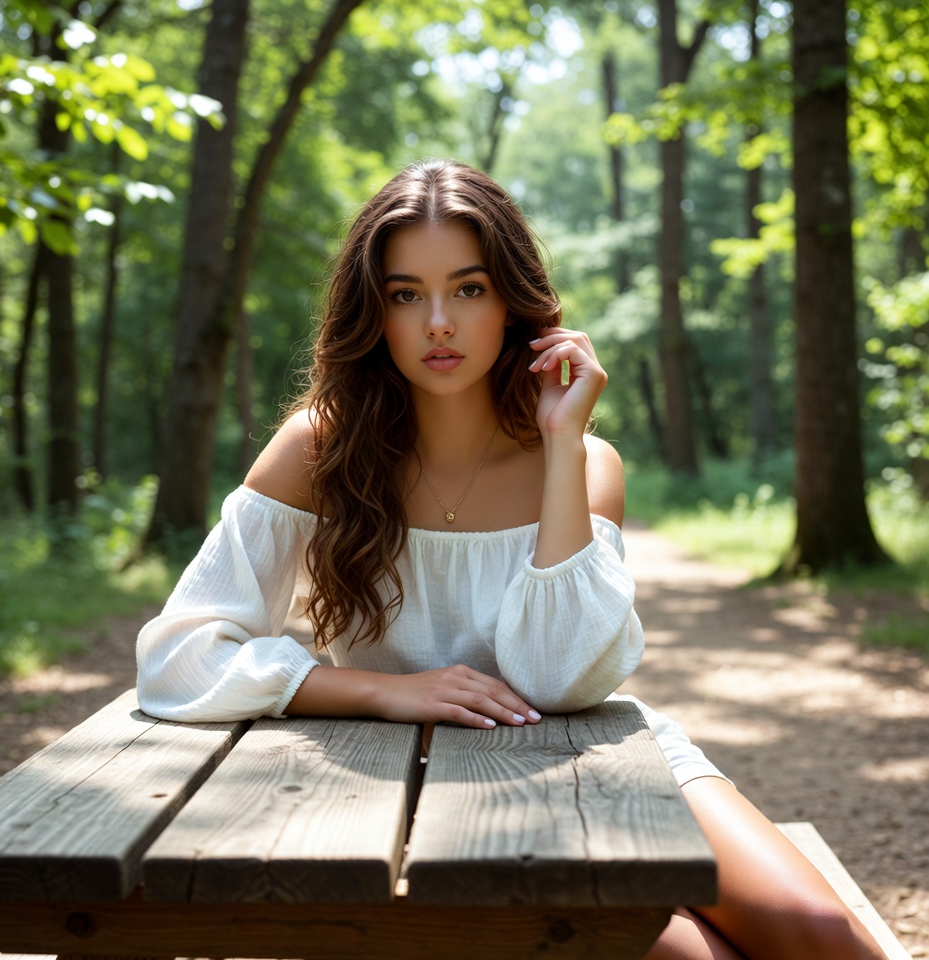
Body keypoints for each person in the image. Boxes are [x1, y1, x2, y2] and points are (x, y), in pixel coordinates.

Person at [137, 158, 887, 960]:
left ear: (511, 302)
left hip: (594, 756)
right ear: (374, 313)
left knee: (819, 933)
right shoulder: (317, 451)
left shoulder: (586, 463)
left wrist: (562, 442)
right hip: (407, 785)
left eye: (468, 288)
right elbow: (178, 655)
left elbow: (558, 679)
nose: (438, 324)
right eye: (405, 294)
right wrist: (383, 692)